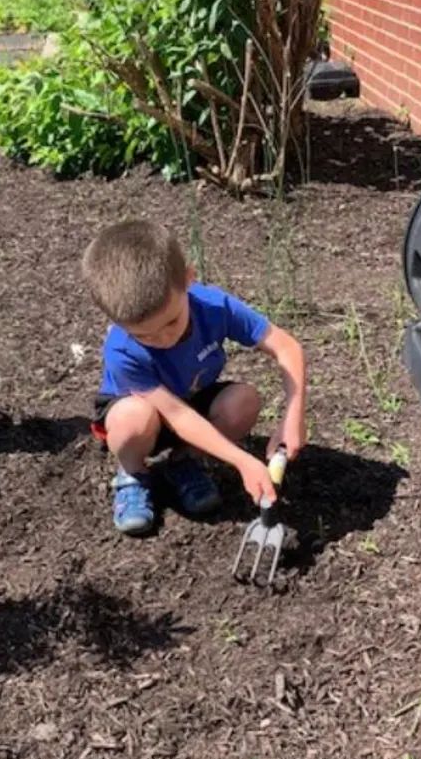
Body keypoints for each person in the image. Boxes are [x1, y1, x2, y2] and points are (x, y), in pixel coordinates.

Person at [83, 218, 306, 535]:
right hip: (146, 414)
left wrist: (293, 415)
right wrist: (242, 460)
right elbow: (175, 415)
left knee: (244, 401)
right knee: (132, 418)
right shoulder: (121, 350)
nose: (163, 339)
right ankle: (132, 473)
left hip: (191, 399)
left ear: (189, 279)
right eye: (144, 336)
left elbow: (286, 347)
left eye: (171, 322)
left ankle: (184, 462)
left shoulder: (213, 307)